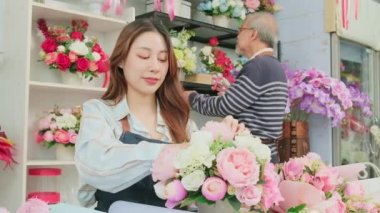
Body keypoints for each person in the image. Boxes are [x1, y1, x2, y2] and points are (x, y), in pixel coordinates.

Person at [75, 19, 245, 212]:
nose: (155, 67)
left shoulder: (182, 123)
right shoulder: (99, 112)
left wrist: (224, 145)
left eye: (163, 59)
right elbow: (96, 167)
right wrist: (175, 151)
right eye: (143, 56)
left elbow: (203, 197)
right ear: (121, 60)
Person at [184, 12, 288, 163]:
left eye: (241, 29)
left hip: (253, 158)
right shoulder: (273, 65)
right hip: (266, 153)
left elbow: (225, 107)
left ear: (253, 34)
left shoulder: (258, 66)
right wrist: (232, 91)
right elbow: (254, 106)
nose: (238, 35)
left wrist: (190, 97)